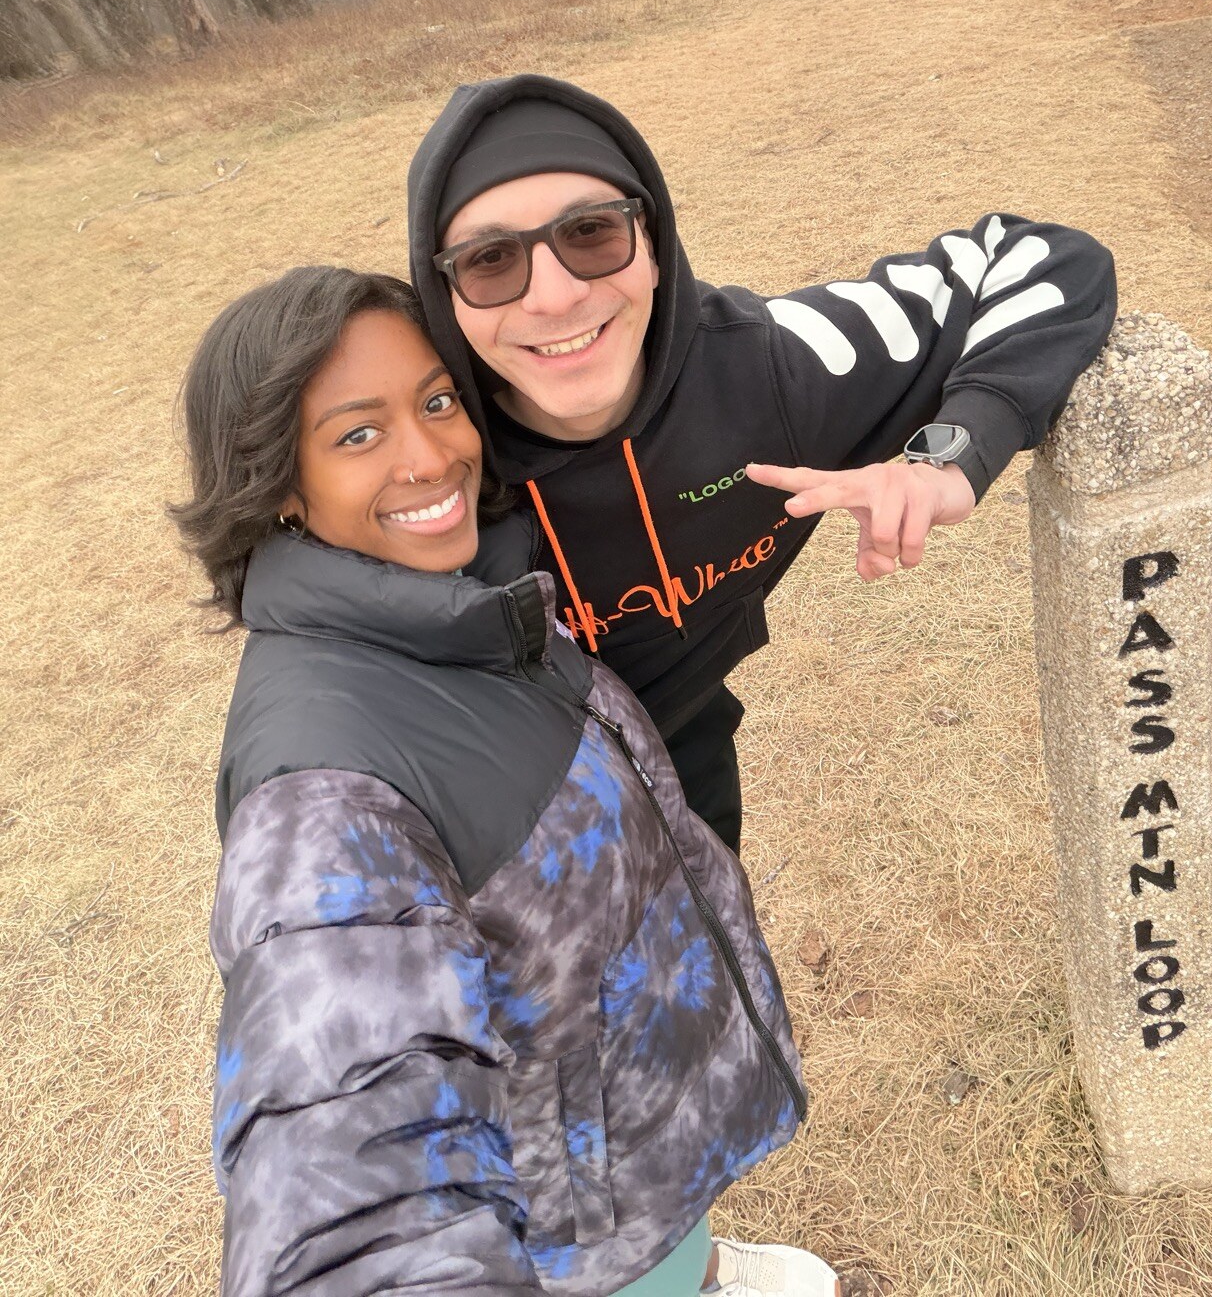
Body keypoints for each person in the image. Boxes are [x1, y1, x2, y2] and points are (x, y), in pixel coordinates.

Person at [172, 266, 839, 1297]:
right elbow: (348, 1196)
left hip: (629, 1177)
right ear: (277, 487)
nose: (431, 453)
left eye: (437, 401)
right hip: (574, 1242)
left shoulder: (458, 597)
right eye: (358, 435)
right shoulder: (320, 790)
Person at [406, 75, 1118, 854]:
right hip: (487, 826)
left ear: (654, 244)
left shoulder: (768, 371)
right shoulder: (420, 461)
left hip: (683, 761)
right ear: (445, 293)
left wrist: (948, 458)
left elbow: (1038, 259)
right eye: (490, 260)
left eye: (591, 233)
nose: (552, 296)